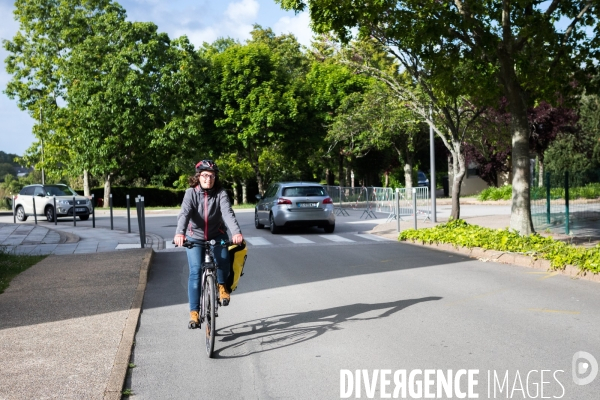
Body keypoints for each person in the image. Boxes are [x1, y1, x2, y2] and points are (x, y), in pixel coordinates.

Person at [174, 160, 243, 329]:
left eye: (211, 176)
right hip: (194, 237)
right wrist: (180, 233)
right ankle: (194, 313)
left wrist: (235, 232)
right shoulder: (191, 193)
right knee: (196, 271)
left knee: (223, 260)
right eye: (204, 175)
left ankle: (221, 286)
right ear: (198, 177)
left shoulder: (221, 194)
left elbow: (227, 213)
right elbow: (184, 213)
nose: (208, 179)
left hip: (217, 234)